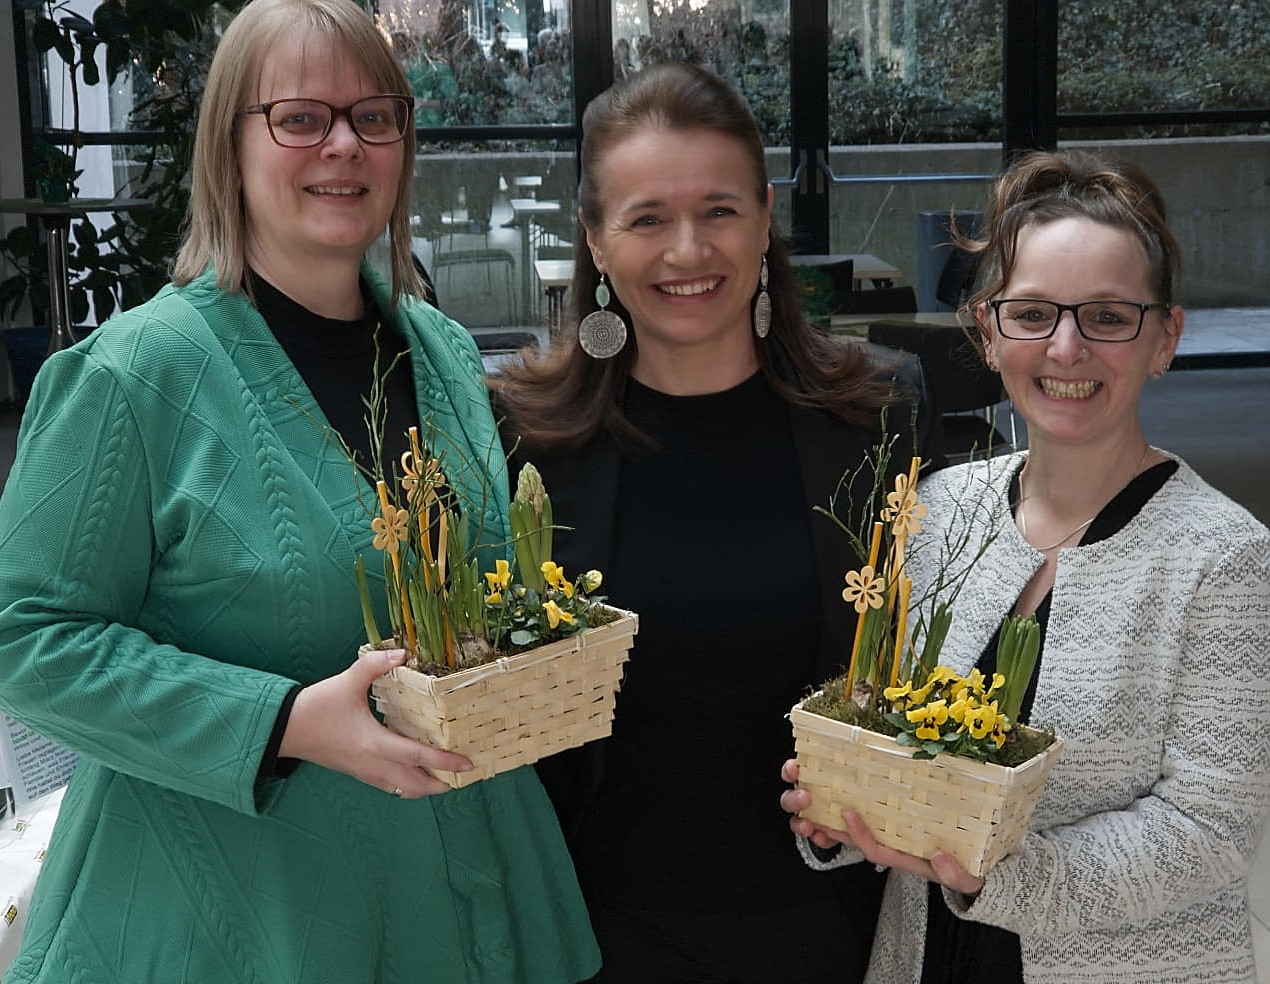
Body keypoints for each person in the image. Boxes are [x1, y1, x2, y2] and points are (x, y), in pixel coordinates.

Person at [0, 1, 600, 981]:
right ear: (230, 146)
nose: (343, 145)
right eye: (300, 117)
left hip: (452, 884)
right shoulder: (134, 376)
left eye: (373, 117)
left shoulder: (440, 349)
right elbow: (25, 641)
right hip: (230, 906)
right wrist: (281, 723)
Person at [492, 62, 937, 983]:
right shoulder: (523, 439)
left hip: (832, 930)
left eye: (719, 210)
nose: (688, 250)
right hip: (593, 935)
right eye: (648, 218)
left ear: (765, 217)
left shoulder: (878, 414)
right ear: (595, 239)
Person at [781, 150, 1270, 983]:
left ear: (1165, 338)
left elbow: (1209, 831)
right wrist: (843, 811)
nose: (1066, 348)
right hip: (926, 958)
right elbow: (892, 734)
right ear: (987, 332)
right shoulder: (937, 508)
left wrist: (992, 875)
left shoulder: (1226, 560)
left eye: (1108, 316)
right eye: (1033, 314)